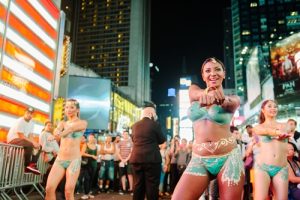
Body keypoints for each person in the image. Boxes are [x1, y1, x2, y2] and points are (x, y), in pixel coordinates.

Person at [172, 57, 244, 200]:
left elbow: (231, 102)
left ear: (224, 74)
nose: (213, 73)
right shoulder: (195, 91)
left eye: (218, 69)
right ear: (203, 75)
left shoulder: (233, 99)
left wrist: (222, 100)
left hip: (228, 158)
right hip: (199, 159)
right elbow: (193, 92)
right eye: (208, 70)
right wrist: (205, 94)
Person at [45, 99, 87, 200]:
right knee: (49, 188)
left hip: (74, 160)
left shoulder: (83, 123)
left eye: (72, 107)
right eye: (67, 107)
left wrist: (57, 136)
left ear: (77, 110)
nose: (69, 109)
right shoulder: (62, 123)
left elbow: (71, 129)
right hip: (60, 159)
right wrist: (56, 132)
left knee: (68, 191)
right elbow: (57, 130)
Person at [253, 99, 290, 199]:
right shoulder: (258, 127)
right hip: (262, 167)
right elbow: (263, 131)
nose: (273, 108)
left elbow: (286, 131)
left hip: (281, 167)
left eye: (275, 106)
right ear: (262, 110)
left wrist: (280, 133)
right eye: (269, 106)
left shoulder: (285, 126)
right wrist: (276, 133)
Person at [130, 104, 166, 200]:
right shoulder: (155, 124)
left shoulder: (134, 125)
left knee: (137, 185)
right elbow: (162, 140)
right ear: (151, 113)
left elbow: (133, 140)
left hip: (136, 158)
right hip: (152, 159)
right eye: (155, 114)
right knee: (152, 186)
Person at [7, 107, 41, 174]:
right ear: (25, 113)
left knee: (39, 146)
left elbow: (30, 136)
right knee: (29, 144)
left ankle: (32, 165)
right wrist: (32, 143)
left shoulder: (32, 123)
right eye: (28, 113)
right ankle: (27, 166)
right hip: (13, 139)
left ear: (33, 115)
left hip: (23, 140)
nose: (29, 115)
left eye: (31, 114)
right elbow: (21, 136)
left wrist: (35, 143)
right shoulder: (20, 121)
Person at [80, 133, 98, 199]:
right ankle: (85, 194)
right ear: (88, 138)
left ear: (94, 138)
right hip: (87, 164)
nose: (91, 138)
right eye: (89, 137)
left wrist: (96, 157)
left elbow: (97, 155)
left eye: (92, 137)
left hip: (94, 164)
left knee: (91, 179)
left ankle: (88, 193)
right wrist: (91, 156)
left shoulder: (96, 146)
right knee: (86, 179)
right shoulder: (86, 144)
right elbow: (82, 153)